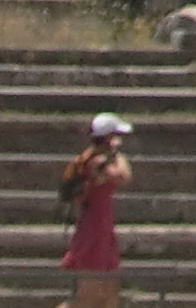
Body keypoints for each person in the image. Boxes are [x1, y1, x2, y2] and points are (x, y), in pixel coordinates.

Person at [60, 111, 134, 308]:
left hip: (104, 227)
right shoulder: (96, 162)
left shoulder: (103, 159)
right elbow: (123, 177)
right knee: (87, 299)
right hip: (93, 229)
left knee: (111, 294)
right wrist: (117, 154)